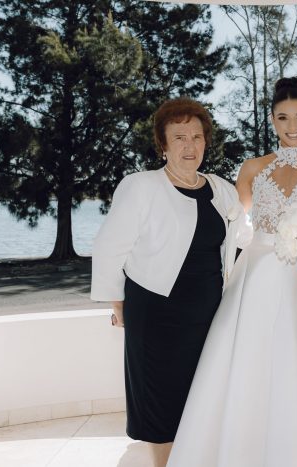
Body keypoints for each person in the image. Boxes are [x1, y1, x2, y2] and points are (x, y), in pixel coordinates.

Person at [166, 77, 297, 467]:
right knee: (248, 368)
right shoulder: (252, 169)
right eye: (283, 118)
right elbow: (234, 225)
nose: (293, 126)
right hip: (256, 279)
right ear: (272, 121)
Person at [90, 97, 247, 467]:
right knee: (160, 401)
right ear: (163, 144)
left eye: (197, 137)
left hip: (209, 314)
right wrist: (118, 305)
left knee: (200, 396)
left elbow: (245, 238)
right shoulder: (141, 186)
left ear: (206, 142)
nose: (189, 146)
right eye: (179, 137)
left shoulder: (221, 189)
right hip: (155, 312)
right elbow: (109, 248)